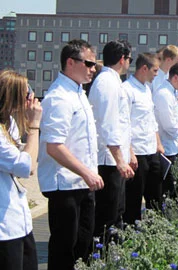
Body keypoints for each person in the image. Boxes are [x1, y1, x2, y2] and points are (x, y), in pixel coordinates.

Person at [38, 39, 104, 269]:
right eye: (88, 63)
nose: (93, 69)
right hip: (64, 185)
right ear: (70, 62)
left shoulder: (78, 93)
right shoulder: (59, 98)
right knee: (64, 248)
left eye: (94, 64)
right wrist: (87, 172)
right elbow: (54, 146)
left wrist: (87, 175)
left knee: (83, 245)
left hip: (81, 183)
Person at [88, 40, 136, 239]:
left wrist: (128, 153)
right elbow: (108, 125)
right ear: (122, 59)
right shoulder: (107, 82)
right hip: (108, 160)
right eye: (129, 59)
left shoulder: (113, 81)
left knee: (117, 211)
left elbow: (122, 124)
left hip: (115, 158)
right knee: (107, 215)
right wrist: (119, 160)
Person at [0, 70, 41, 270]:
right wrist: (34, 127)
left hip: (19, 222)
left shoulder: (9, 123)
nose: (31, 99)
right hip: (4, 228)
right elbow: (27, 166)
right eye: (27, 94)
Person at [122, 52, 165, 224]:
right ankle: (131, 236)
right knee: (133, 199)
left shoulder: (147, 89)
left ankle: (153, 232)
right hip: (137, 152)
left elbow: (151, 120)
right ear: (144, 68)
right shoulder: (126, 90)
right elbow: (124, 123)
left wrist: (158, 143)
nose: (157, 74)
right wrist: (130, 152)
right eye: (155, 70)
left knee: (155, 197)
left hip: (151, 149)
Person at [152, 62, 178, 202]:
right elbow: (168, 124)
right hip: (164, 147)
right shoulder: (164, 94)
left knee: (173, 185)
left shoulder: (171, 92)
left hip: (170, 145)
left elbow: (173, 120)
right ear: (175, 78)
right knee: (168, 189)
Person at [152, 45, 178, 161]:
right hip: (161, 130)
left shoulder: (172, 78)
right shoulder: (157, 80)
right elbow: (166, 119)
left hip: (174, 125)